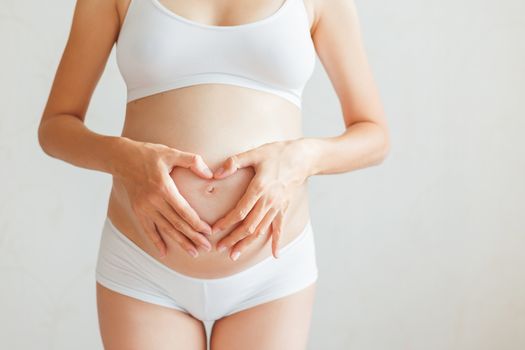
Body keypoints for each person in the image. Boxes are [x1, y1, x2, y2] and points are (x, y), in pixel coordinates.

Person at [37, 0, 390, 348]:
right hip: (144, 265)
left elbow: (374, 134)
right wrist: (125, 158)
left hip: (270, 271)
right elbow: (56, 127)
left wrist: (301, 157)